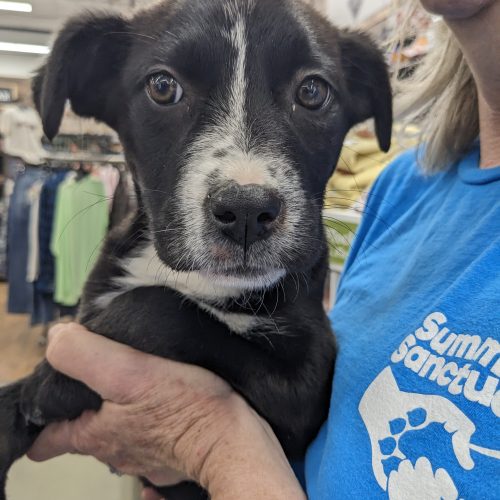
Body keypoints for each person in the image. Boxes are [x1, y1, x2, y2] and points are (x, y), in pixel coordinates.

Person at [28, 0, 500, 498]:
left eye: (311, 93)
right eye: (165, 88)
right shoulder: (408, 187)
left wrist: (211, 444)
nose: (246, 183)